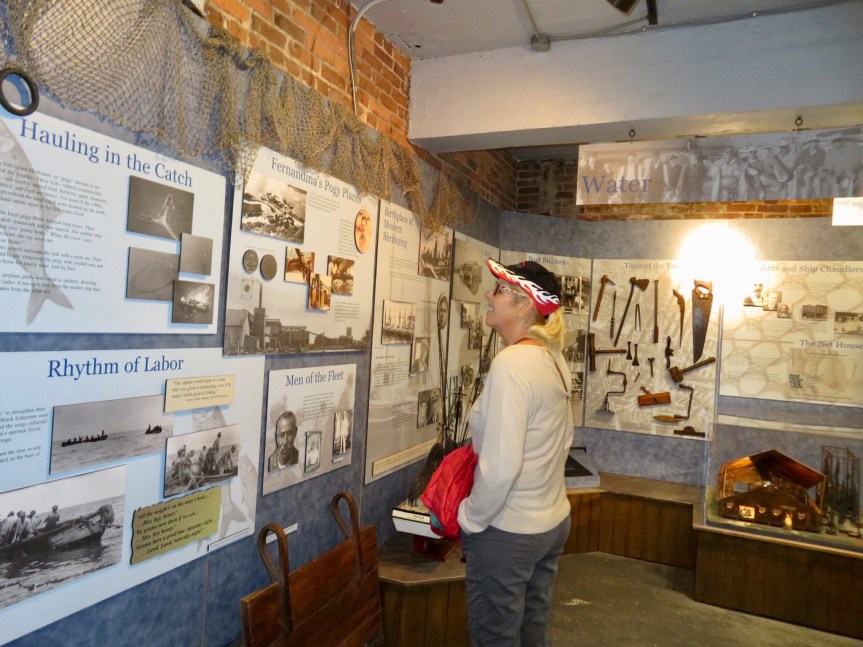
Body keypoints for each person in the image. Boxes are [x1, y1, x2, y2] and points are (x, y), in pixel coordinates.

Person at [457, 258, 573, 647]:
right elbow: (563, 440)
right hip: (550, 523)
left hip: (510, 531)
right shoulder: (552, 357)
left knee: (495, 637)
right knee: (531, 632)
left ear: (524, 304)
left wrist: (471, 518)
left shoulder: (512, 363)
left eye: (499, 289)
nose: (488, 295)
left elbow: (503, 466)